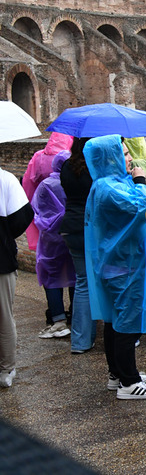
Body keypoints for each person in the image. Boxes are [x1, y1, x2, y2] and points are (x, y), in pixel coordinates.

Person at [84, 135, 146, 400]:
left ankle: (117, 373)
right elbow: (144, 208)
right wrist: (141, 181)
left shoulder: (106, 184)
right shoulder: (109, 188)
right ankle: (129, 383)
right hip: (124, 266)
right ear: (112, 158)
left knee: (114, 322)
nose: (130, 158)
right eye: (125, 154)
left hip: (117, 264)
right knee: (127, 324)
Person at [22, 132, 73, 325]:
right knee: (75, 272)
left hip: (49, 233)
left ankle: (57, 317)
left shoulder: (40, 167)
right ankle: (75, 314)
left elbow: (33, 200)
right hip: (70, 229)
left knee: (51, 273)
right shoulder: (72, 175)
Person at [31, 150, 75, 340]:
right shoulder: (75, 182)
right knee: (76, 275)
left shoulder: (46, 185)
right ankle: (76, 315)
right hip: (72, 235)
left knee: (51, 277)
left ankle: (58, 321)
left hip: (50, 239)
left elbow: (37, 208)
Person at [59, 138, 96, 354]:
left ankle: (80, 341)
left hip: (70, 225)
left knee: (82, 283)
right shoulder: (95, 168)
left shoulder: (66, 166)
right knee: (105, 279)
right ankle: (121, 336)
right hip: (90, 226)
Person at [0, 161, 34, 387]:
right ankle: (5, 369)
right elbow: (23, 216)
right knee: (3, 316)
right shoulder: (6, 179)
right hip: (1, 259)